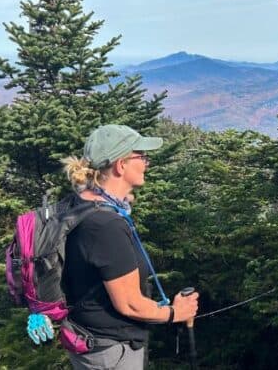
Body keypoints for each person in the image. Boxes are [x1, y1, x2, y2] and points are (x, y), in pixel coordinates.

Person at [60, 124, 199, 369]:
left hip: (91, 342)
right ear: (120, 165)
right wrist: (176, 313)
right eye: (141, 156)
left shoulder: (81, 204)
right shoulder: (105, 225)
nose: (147, 163)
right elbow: (130, 304)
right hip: (111, 352)